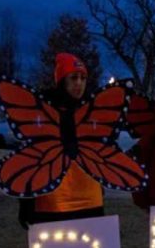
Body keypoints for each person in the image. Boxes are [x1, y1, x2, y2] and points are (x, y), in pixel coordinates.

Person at [18, 53, 105, 227]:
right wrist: (26, 202)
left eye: (83, 78)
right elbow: (30, 159)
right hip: (54, 202)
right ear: (62, 80)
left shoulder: (92, 112)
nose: (79, 83)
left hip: (90, 199)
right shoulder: (43, 113)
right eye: (73, 77)